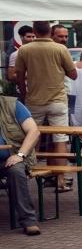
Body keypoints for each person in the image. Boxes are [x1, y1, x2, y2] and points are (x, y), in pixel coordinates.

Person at [14, 21, 78, 192]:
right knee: (60, 139)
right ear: (50, 31)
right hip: (58, 100)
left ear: (34, 31)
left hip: (34, 100)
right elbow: (73, 75)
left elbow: (19, 75)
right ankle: (60, 180)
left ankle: (30, 175)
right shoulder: (60, 49)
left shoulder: (25, 50)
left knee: (32, 137)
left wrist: (24, 94)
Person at [1, 96, 41, 235]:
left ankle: (29, 221)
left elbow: (34, 131)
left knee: (16, 172)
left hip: (11, 158)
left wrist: (20, 155)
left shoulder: (12, 105)